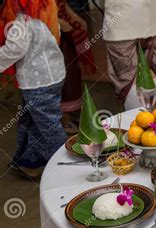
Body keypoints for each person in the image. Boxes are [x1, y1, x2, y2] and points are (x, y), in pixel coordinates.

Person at [0, 0, 66, 180]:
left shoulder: (20, 22)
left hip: (37, 82)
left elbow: (15, 49)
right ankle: (28, 162)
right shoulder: (44, 16)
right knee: (30, 120)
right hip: (53, 75)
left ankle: (67, 167)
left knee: (48, 126)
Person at [102, 0, 156, 107]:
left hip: (120, 21)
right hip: (148, 14)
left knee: (130, 78)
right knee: (150, 71)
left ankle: (141, 120)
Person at [57, 0, 97, 134]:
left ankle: (74, 113)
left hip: (63, 33)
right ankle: (64, 118)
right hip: (51, 36)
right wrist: (60, 23)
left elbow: (63, 5)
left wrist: (75, 17)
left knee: (73, 73)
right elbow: (35, 16)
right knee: (62, 76)